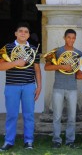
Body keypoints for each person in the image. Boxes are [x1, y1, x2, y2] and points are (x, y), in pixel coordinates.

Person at [0, 22, 41, 151]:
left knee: (28, 115)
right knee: (12, 114)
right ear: (16, 33)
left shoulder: (34, 49)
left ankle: (29, 141)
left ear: (28, 35)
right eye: (21, 31)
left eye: (26, 31)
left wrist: (39, 86)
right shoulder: (7, 47)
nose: (23, 33)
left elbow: (37, 70)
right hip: (12, 86)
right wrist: (16, 62)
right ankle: (8, 141)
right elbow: (1, 66)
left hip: (29, 85)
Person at [44, 29, 82, 149]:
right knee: (57, 116)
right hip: (58, 87)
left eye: (73, 38)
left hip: (72, 88)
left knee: (72, 117)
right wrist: (62, 66)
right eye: (69, 37)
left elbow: (80, 71)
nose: (71, 40)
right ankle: (56, 140)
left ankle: (70, 141)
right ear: (64, 38)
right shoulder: (58, 51)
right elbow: (46, 67)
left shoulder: (79, 53)